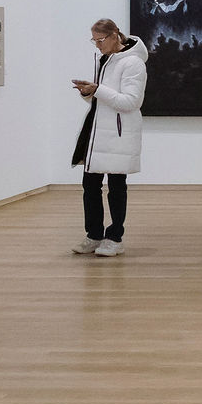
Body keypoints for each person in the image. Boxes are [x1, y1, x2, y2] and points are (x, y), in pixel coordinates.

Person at [71, 18, 146, 256]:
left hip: (118, 133)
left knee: (116, 186)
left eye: (100, 40)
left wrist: (98, 90)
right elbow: (103, 99)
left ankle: (115, 238)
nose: (97, 45)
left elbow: (131, 102)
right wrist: (88, 93)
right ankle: (93, 235)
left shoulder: (133, 63)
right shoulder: (105, 59)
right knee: (90, 185)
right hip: (96, 132)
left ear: (115, 36)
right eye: (94, 40)